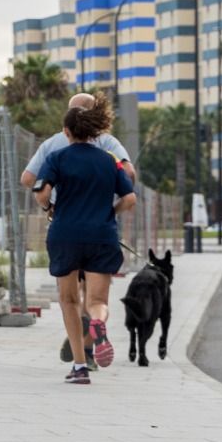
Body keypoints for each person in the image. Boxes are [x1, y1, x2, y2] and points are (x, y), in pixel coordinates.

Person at [19, 93, 135, 366]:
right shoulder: (109, 153)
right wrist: (109, 206)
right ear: (96, 121)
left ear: (67, 126)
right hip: (101, 232)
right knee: (96, 299)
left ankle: (79, 363)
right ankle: (96, 325)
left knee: (69, 298)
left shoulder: (55, 151)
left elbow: (34, 185)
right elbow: (130, 189)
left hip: (66, 231)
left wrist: (50, 207)